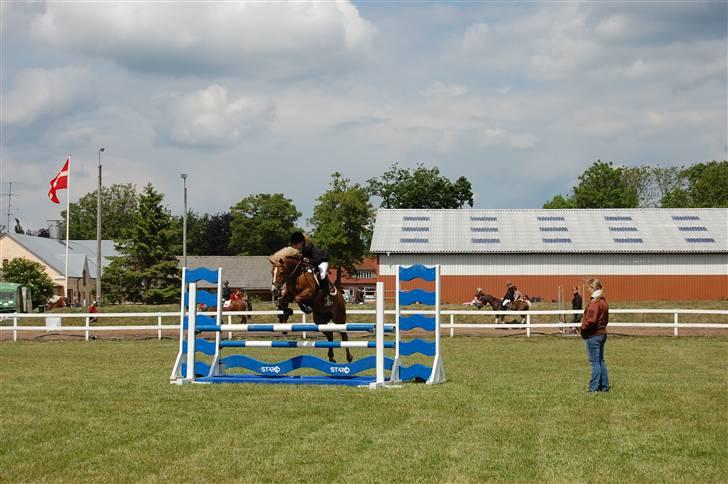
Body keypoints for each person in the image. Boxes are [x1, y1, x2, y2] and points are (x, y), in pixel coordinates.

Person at [580, 278, 609, 392]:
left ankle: (593, 388)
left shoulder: (595, 303)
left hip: (593, 335)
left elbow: (591, 320)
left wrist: (583, 327)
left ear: (593, 288)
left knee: (595, 363)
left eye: (588, 288)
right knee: (601, 361)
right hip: (602, 333)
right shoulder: (604, 302)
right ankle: (604, 386)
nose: (587, 290)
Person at [289, 231, 332, 307]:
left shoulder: (308, 247)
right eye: (293, 244)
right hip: (310, 263)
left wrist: (308, 260)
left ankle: (327, 296)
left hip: (321, 261)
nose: (294, 246)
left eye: (295, 244)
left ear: (301, 243)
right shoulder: (296, 250)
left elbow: (317, 260)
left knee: (322, 274)